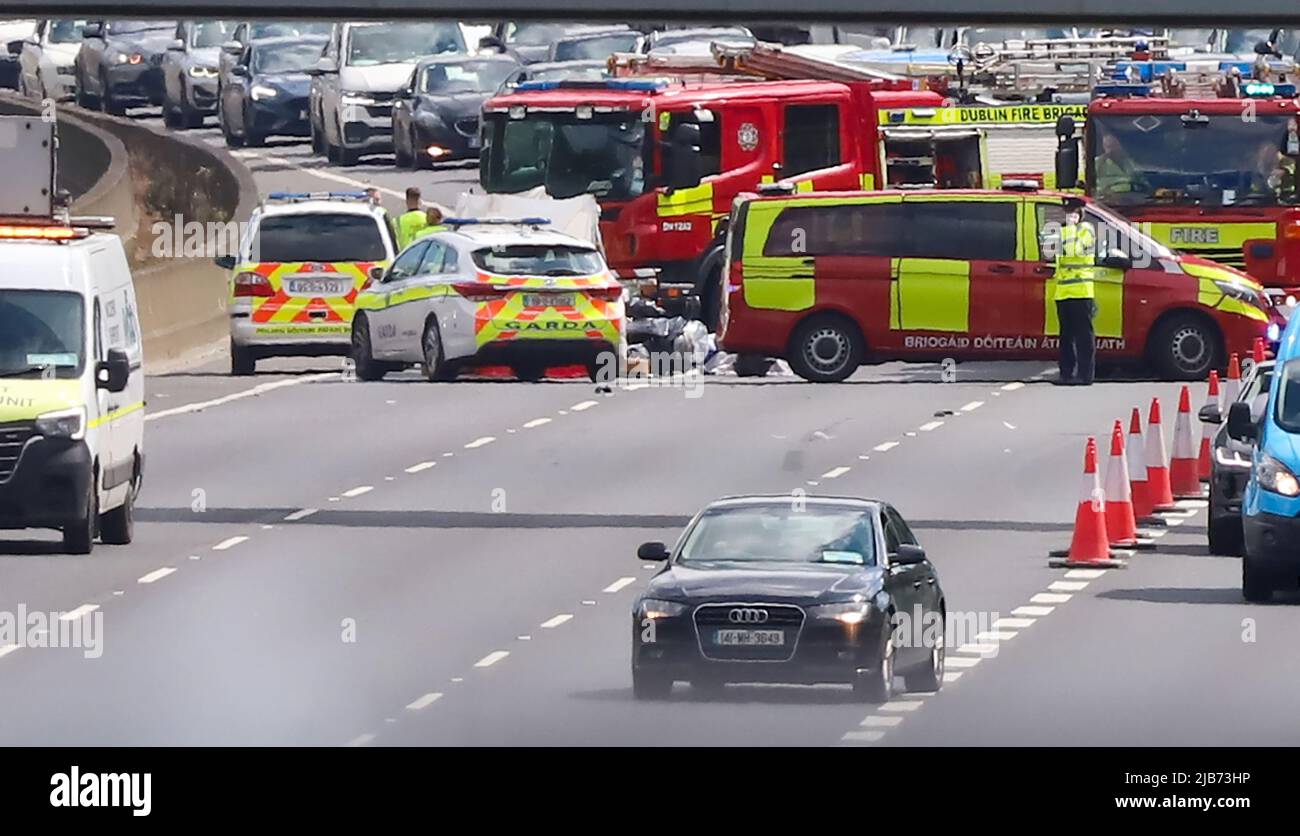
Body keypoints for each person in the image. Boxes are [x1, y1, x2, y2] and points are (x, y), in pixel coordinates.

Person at [1054, 198, 1098, 386]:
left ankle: (1085, 375)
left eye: (1073, 211)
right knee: (1065, 337)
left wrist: (1071, 228)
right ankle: (1065, 374)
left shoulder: (1086, 230)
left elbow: (1073, 251)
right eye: (1067, 211)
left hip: (1081, 290)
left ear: (1080, 214)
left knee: (1083, 337)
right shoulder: (1062, 231)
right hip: (1063, 291)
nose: (1069, 215)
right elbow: (1055, 255)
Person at [1094, 132, 1138, 197]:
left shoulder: (1129, 162)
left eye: (1113, 146)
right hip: (1108, 199)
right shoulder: (1098, 163)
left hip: (1132, 198)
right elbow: (1093, 185)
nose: (1111, 150)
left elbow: (1140, 179)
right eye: (1108, 147)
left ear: (1120, 145)